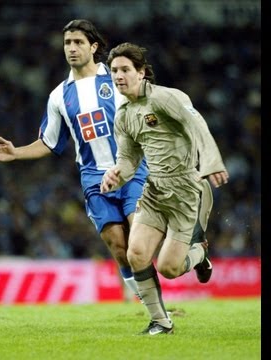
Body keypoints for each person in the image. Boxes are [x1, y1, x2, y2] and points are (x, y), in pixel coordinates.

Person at [0, 19, 149, 302]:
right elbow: (49, 142)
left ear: (93, 47)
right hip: (94, 178)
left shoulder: (117, 77)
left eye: (78, 42)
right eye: (67, 43)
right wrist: (17, 152)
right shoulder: (59, 96)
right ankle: (153, 308)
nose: (71, 48)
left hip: (131, 170)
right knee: (118, 246)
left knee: (138, 241)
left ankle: (182, 261)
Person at [101, 42, 229, 335]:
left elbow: (196, 123)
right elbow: (129, 160)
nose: (118, 76)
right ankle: (160, 321)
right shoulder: (123, 116)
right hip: (155, 191)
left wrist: (211, 162)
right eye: (114, 71)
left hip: (186, 191)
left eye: (124, 70)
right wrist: (116, 175)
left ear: (142, 72)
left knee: (170, 269)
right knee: (135, 254)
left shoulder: (166, 98)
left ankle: (198, 254)